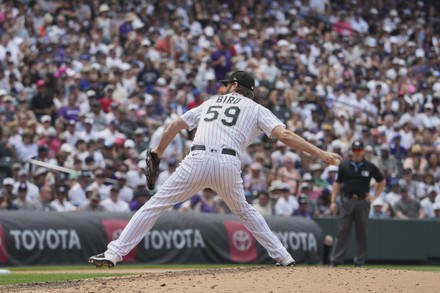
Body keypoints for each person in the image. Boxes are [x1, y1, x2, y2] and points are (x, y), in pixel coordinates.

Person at [89, 70, 341, 268]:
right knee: (244, 211)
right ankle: (283, 256)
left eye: (226, 83)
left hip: (196, 159)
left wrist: (158, 152)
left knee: (155, 206)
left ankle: (114, 253)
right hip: (228, 164)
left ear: (233, 85)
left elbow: (175, 124)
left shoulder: (210, 103)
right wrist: (320, 153)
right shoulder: (256, 108)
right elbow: (284, 135)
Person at [330, 140, 385, 268]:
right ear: (352, 151)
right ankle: (335, 261)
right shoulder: (344, 165)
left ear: (363, 151)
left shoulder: (369, 166)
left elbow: (381, 181)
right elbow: (337, 184)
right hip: (347, 200)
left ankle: (359, 262)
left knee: (362, 233)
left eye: (359, 150)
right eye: (355, 150)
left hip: (362, 202)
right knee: (342, 231)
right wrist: (333, 201)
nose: (357, 153)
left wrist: (375, 196)